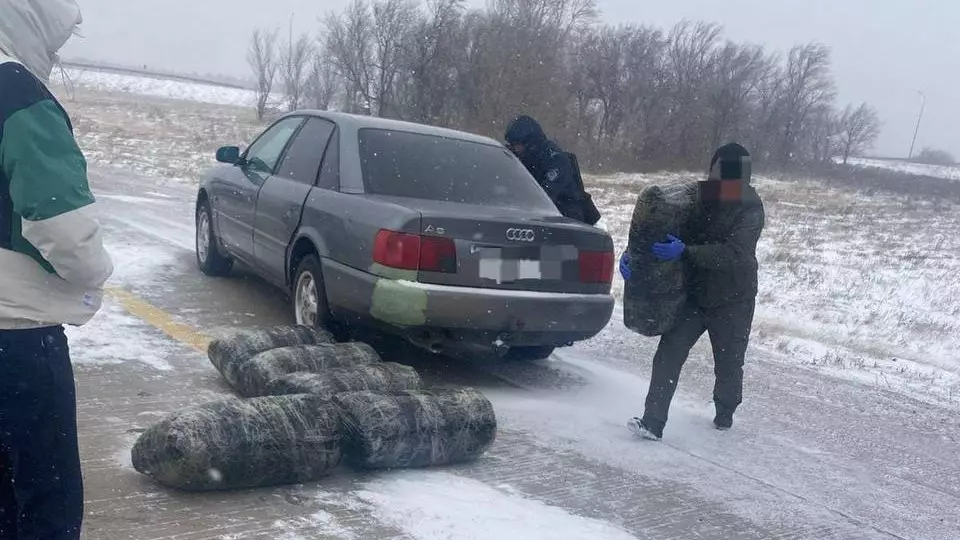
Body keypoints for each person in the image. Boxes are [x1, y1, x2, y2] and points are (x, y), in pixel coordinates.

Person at [0, 1, 113, 537]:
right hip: (17, 337)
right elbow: (64, 228)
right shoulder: (17, 94)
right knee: (47, 503)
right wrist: (95, 271)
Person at [623, 143, 764, 441]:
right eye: (715, 171)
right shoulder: (697, 196)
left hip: (733, 299)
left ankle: (725, 412)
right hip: (696, 295)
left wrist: (686, 251)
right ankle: (652, 422)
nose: (718, 179)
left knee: (727, 362)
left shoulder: (750, 206)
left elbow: (735, 253)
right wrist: (633, 256)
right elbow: (662, 224)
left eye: (725, 174)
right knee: (668, 354)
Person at [504, 115, 589, 223]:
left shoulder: (555, 160)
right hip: (538, 219)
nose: (515, 150)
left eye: (517, 145)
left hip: (565, 220)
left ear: (530, 143)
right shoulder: (526, 157)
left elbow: (544, 197)